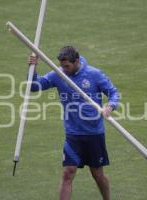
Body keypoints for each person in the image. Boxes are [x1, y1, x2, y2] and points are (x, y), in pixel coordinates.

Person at [28, 46, 120, 200]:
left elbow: (113, 92)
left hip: (94, 134)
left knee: (98, 175)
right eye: (62, 66)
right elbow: (34, 86)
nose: (64, 70)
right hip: (72, 135)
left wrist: (110, 106)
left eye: (67, 66)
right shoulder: (58, 74)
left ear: (76, 61)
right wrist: (33, 67)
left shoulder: (94, 74)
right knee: (67, 173)